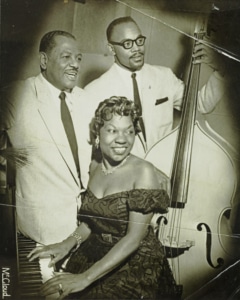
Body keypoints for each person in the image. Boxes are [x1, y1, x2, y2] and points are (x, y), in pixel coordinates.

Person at [28, 96, 182, 299]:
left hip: (133, 261)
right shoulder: (94, 166)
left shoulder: (143, 172)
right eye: (112, 130)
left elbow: (133, 238)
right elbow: (92, 222)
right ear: (97, 133)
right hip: (96, 252)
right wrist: (67, 243)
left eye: (129, 131)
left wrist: (84, 278)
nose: (122, 139)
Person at [84, 16, 226, 158]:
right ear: (111, 48)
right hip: (124, 176)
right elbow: (93, 148)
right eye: (127, 44)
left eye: (139, 41)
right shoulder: (93, 91)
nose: (137, 49)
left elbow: (201, 105)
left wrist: (221, 70)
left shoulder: (164, 76)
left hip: (165, 170)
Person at [1, 31, 93, 245]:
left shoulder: (86, 99)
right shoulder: (18, 94)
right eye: (66, 56)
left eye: (78, 58)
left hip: (86, 226)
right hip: (41, 230)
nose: (75, 64)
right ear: (44, 60)